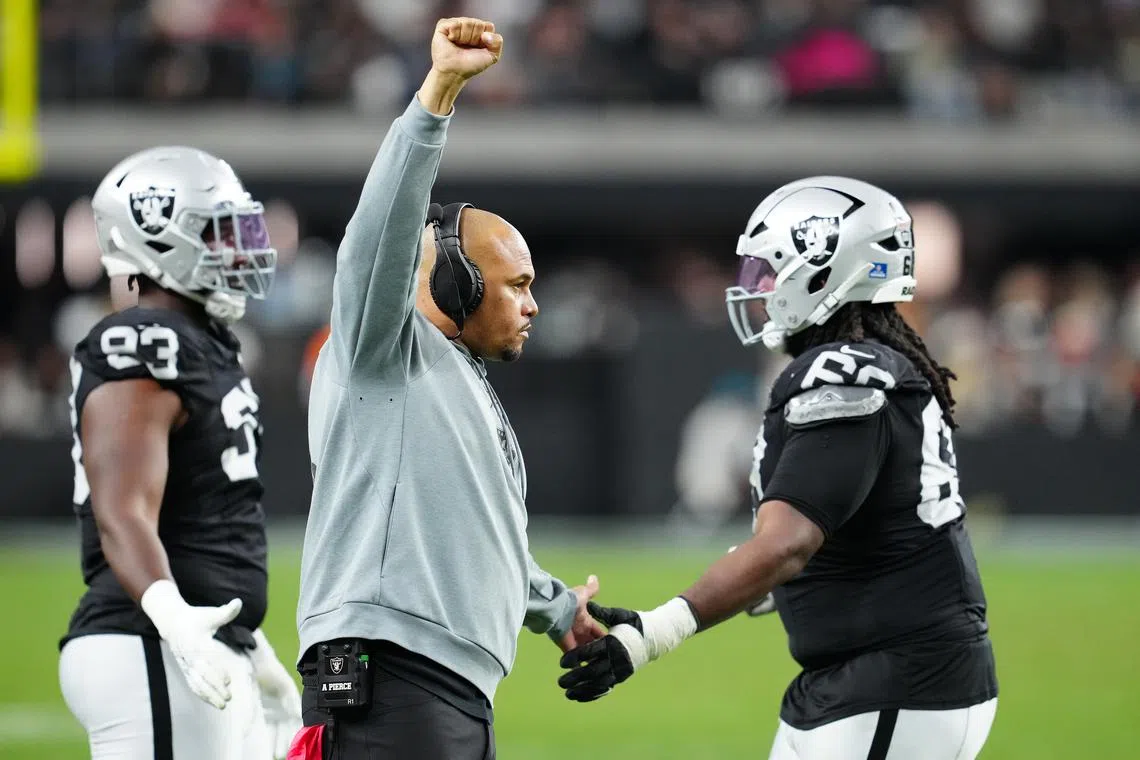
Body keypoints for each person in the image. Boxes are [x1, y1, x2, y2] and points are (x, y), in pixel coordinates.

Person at [558, 177, 999, 760]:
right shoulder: (867, 364)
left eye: (772, 269)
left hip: (897, 680)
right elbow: (854, 524)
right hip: (862, 677)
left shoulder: (842, 372)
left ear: (823, 271)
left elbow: (788, 544)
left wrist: (652, 633)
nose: (758, 286)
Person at [293, 17, 602, 760]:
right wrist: (437, 95)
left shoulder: (453, 379)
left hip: (444, 687)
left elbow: (472, 530)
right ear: (457, 281)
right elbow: (377, 240)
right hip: (389, 677)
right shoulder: (381, 352)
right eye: (518, 285)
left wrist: (556, 608)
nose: (533, 305)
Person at [58, 146, 302, 759]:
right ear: (161, 241)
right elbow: (124, 508)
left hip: (196, 644)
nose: (240, 248)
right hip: (150, 641)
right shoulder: (141, 338)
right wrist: (175, 618)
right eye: (220, 233)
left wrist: (249, 641)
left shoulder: (207, 344)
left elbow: (206, 513)